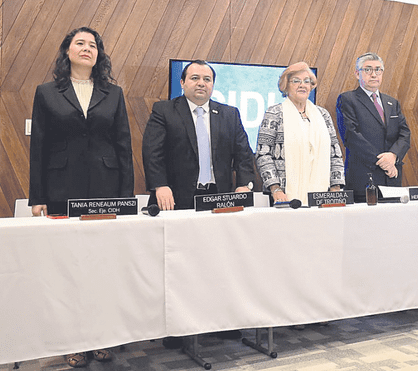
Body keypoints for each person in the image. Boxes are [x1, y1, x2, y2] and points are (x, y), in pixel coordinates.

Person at [28, 26, 132, 367]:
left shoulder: (113, 93)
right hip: (61, 189)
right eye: (80, 43)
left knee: (102, 267)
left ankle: (100, 337)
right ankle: (72, 340)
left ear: (99, 54)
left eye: (93, 45)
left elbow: (123, 146)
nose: (87, 49)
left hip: (105, 188)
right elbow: (39, 147)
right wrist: (36, 197)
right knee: (67, 267)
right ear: (67, 51)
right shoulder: (46, 92)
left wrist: (125, 198)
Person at [142, 60, 255, 211]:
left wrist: (244, 185)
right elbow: (152, 152)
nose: (201, 83)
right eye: (195, 78)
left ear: (212, 85)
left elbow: (244, 154)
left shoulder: (229, 114)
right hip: (174, 198)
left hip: (218, 196)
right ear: (182, 83)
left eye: (207, 79)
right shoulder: (164, 111)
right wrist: (160, 185)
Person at [256, 62, 345, 206]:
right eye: (296, 81)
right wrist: (275, 188)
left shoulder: (323, 115)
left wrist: (336, 188)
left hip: (321, 197)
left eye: (306, 81)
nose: (302, 85)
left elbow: (335, 153)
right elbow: (263, 154)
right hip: (284, 196)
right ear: (286, 85)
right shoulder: (274, 113)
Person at [336, 53, 410, 202]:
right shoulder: (348, 99)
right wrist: (383, 162)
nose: (374, 74)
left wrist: (393, 156)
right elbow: (351, 136)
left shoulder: (392, 102)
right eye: (368, 70)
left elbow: (405, 134)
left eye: (378, 70)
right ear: (357, 73)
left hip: (392, 177)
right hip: (364, 178)